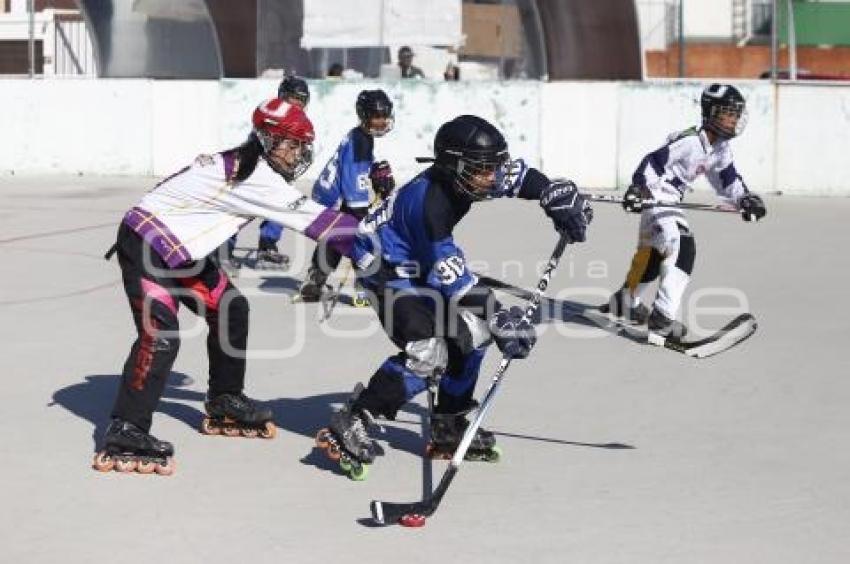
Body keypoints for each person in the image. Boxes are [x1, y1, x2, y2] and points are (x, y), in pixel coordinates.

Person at [314, 115, 593, 479]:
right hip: (385, 269)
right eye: (483, 170)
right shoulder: (428, 207)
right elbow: (456, 281)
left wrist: (552, 194)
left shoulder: (468, 177)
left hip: (418, 259)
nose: (492, 177)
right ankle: (353, 419)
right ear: (454, 166)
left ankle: (449, 420)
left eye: (494, 167)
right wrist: (499, 315)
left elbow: (519, 177)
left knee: (474, 334)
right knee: (428, 351)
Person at [93, 98, 361, 475]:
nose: (298, 153)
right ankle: (126, 428)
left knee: (231, 307)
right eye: (293, 144)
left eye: (302, 146)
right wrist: (388, 243)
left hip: (181, 248)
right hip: (147, 244)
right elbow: (329, 227)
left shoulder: (244, 162)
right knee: (161, 336)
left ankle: (225, 398)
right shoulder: (257, 178)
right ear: (268, 140)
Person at [600, 83, 767, 344]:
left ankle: (625, 301)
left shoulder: (720, 149)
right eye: (729, 113)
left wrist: (746, 199)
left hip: (668, 202)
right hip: (656, 197)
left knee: (653, 257)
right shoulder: (690, 140)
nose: (734, 119)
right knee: (683, 246)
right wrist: (638, 189)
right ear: (712, 113)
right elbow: (653, 161)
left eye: (736, 114)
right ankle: (662, 319)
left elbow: (728, 180)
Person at [298, 89, 396, 307]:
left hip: (328, 196)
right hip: (335, 198)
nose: (381, 121)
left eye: (384, 115)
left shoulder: (359, 136)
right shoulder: (360, 143)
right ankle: (365, 288)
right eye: (376, 116)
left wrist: (374, 169)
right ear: (364, 116)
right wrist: (365, 217)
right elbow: (354, 197)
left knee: (337, 237)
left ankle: (314, 281)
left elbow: (355, 169)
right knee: (364, 235)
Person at [225, 75, 311, 271]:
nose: (297, 103)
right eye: (293, 98)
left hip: (279, 172)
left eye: (302, 99)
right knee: (242, 206)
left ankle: (267, 246)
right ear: (282, 97)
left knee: (281, 205)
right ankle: (224, 247)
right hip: (258, 168)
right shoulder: (272, 116)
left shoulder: (299, 121)